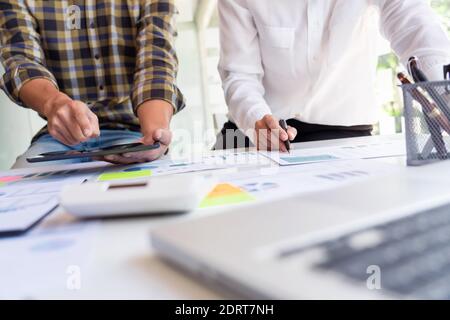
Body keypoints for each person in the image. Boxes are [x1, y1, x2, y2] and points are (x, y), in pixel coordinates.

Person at [215, 0, 450, 151]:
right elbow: (239, 73)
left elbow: (416, 29)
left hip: (342, 132)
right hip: (254, 128)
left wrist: (443, 95)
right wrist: (255, 117)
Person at [0, 0, 185, 168]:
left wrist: (155, 133)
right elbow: (23, 63)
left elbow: (156, 64)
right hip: (59, 139)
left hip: (134, 134)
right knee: (19, 193)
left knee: (153, 192)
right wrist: (55, 104)